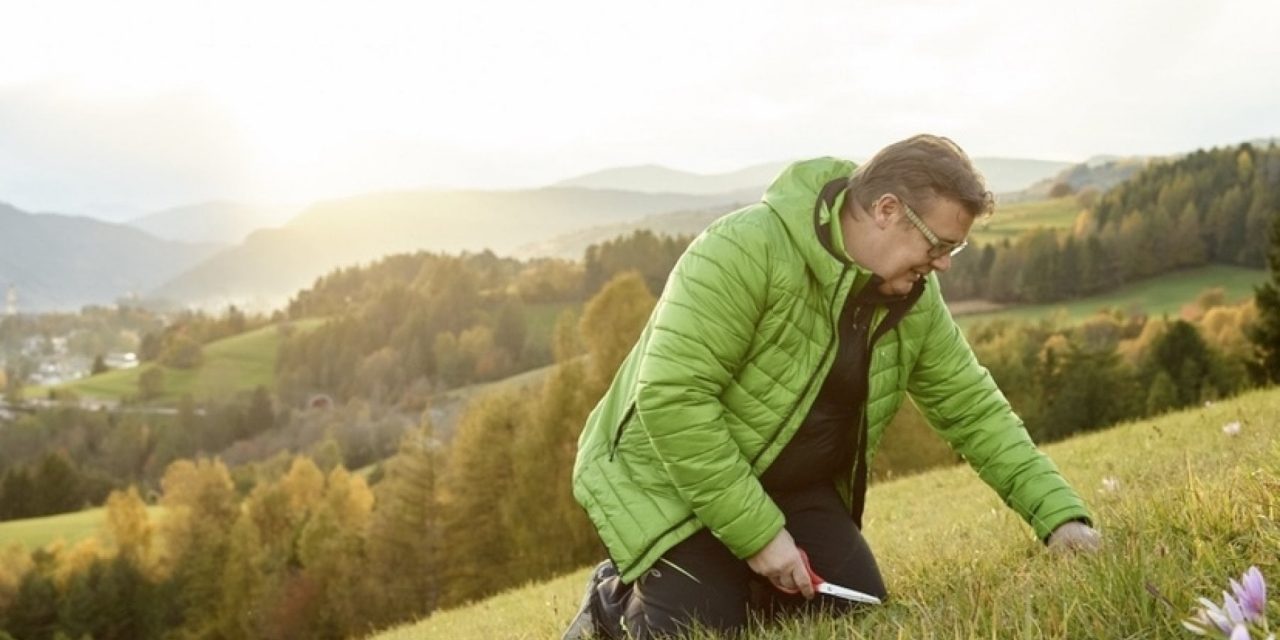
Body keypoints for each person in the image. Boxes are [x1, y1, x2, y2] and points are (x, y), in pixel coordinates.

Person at [562, 134, 1101, 639]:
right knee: (702, 627)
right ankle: (610, 603)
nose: (941, 265)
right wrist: (760, 538)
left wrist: (1059, 520)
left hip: (792, 484)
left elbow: (974, 410)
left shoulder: (914, 298)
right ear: (887, 210)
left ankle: (731, 574)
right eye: (939, 245)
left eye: (950, 251)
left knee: (853, 608)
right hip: (664, 477)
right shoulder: (741, 250)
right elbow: (673, 400)